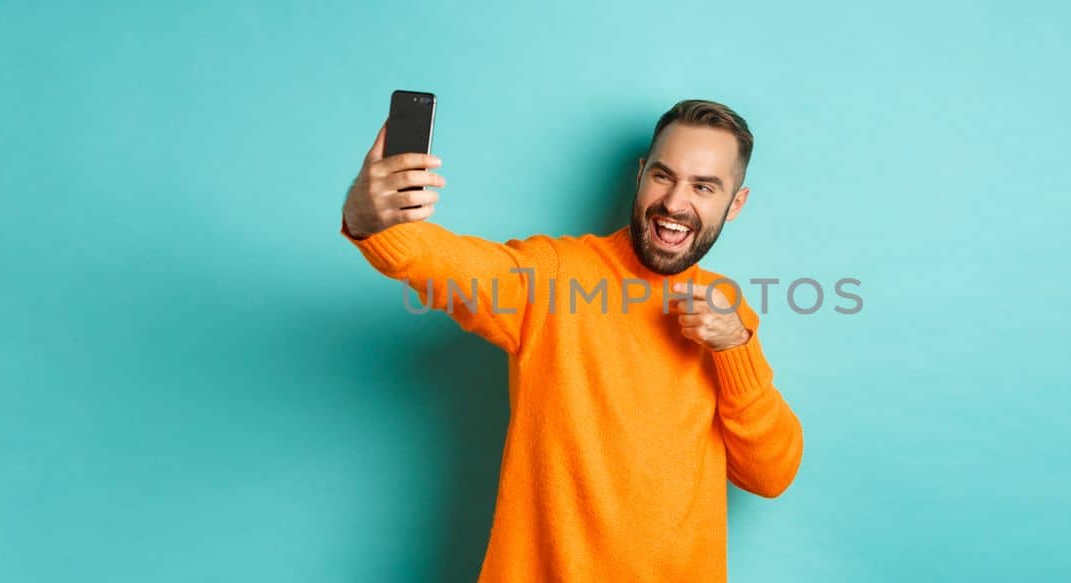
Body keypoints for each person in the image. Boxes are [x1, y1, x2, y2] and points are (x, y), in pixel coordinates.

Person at [340, 99, 804, 581]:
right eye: (663, 176)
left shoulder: (726, 310)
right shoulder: (555, 276)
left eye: (703, 186)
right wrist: (368, 218)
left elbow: (770, 474)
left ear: (736, 204)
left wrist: (736, 347)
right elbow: (444, 262)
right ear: (641, 174)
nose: (674, 203)